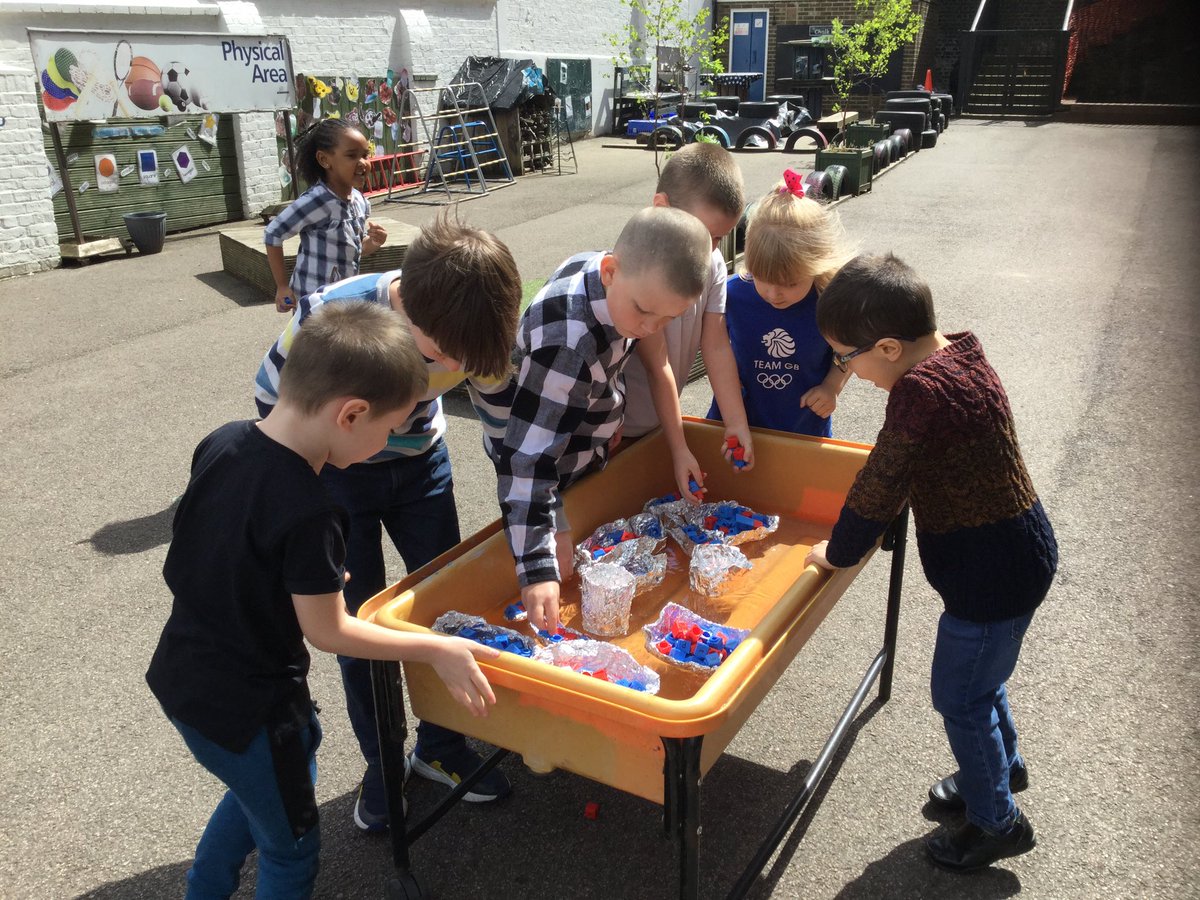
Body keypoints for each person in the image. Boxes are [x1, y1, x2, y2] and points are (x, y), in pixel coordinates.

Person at [147, 302, 499, 899]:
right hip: (253, 710)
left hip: (184, 678)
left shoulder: (222, 441)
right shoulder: (312, 513)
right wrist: (436, 648)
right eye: (389, 430)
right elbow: (330, 631)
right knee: (292, 851)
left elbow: (209, 551)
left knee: (258, 799)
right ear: (351, 413)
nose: (388, 443)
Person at [255, 212, 522, 829]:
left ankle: (442, 746)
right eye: (437, 356)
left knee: (444, 608)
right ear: (407, 316)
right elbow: (273, 402)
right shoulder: (332, 314)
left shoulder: (476, 333)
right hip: (337, 481)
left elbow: (505, 432)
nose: (451, 366)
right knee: (363, 629)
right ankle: (383, 764)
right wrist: (308, 494)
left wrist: (525, 522)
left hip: (421, 467)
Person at [805, 253, 1058, 871]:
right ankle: (1000, 771)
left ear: (887, 347)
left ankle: (996, 822)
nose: (849, 372)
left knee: (960, 697)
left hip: (989, 577)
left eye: (847, 358)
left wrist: (836, 552)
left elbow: (880, 482)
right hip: (1020, 551)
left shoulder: (919, 396)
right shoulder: (960, 355)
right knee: (982, 684)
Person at [498, 206, 713, 635]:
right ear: (611, 271)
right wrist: (536, 566)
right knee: (555, 571)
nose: (650, 329)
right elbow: (527, 461)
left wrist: (609, 420)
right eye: (645, 313)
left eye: (668, 319)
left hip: (576, 439)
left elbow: (617, 360)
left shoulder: (619, 282)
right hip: (546, 468)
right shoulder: (567, 345)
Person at [620, 142, 756, 470]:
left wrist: (736, 422)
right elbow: (657, 364)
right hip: (615, 429)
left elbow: (717, 346)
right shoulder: (641, 266)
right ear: (662, 207)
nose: (710, 248)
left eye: (720, 238)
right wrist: (679, 446)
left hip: (661, 423)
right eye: (705, 234)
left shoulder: (712, 263)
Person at [708, 171, 854, 438]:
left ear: (816, 266)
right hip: (734, 420)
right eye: (762, 278)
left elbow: (849, 352)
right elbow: (711, 344)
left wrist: (832, 387)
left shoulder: (828, 302)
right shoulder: (732, 295)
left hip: (802, 426)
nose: (774, 294)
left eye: (790, 283)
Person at [265, 119, 388, 313]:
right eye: (352, 156)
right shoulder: (316, 201)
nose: (363, 162)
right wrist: (282, 286)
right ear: (324, 160)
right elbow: (273, 233)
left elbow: (353, 250)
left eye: (365, 154)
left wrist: (373, 243)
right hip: (313, 301)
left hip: (344, 298)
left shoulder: (360, 201)